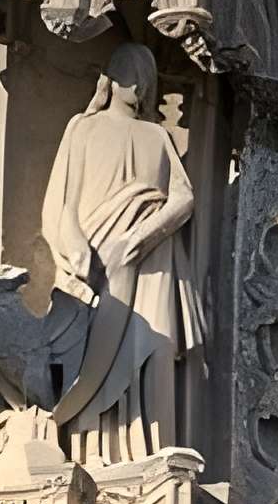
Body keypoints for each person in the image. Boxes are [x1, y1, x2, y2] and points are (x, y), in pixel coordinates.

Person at [39, 40, 205, 460]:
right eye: (133, 74)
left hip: (151, 260)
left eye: (146, 78)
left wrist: (142, 236)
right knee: (93, 354)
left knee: (155, 347)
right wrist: (77, 249)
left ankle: (158, 462)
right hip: (96, 260)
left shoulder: (157, 135)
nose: (141, 86)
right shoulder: (84, 127)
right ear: (112, 79)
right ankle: (91, 457)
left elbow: (183, 198)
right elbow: (65, 201)